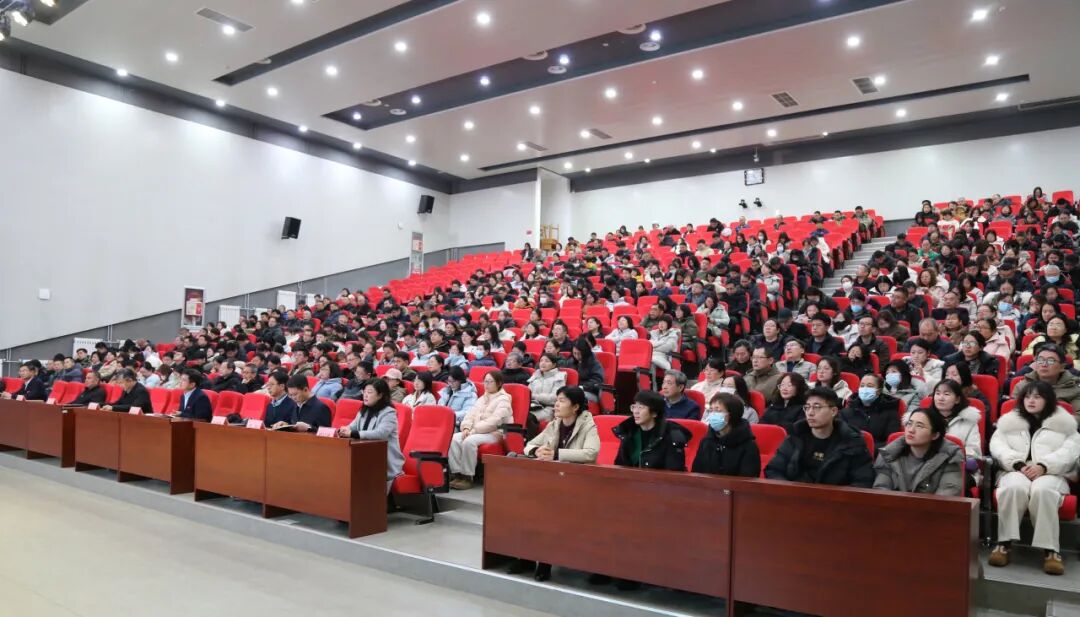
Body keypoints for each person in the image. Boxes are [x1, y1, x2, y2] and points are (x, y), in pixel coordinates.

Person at [989, 380, 1080, 575]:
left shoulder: (1065, 424)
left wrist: (1044, 466)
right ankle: (1004, 543)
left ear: (1048, 400)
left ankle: (1051, 550)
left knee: (1043, 490)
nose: (1031, 401)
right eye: (1027, 396)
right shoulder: (1009, 421)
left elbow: (1070, 451)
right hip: (1015, 469)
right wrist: (1018, 464)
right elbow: (997, 447)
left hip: (1052, 472)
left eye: (1037, 397)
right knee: (1013, 488)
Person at [764, 386, 874, 487]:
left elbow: (863, 481)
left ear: (833, 411)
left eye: (817, 407)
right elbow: (774, 470)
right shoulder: (795, 436)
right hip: (794, 497)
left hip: (835, 500)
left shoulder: (852, 442)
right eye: (807, 407)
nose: (810, 413)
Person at [873, 407, 964, 496]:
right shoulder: (890, 454)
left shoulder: (949, 458)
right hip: (893, 505)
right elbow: (881, 490)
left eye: (919, 426)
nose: (911, 430)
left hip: (931, 506)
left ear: (935, 435)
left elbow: (945, 498)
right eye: (909, 424)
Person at [448, 371, 513, 490]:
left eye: (490, 382)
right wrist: (466, 427)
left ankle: (467, 476)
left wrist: (473, 431)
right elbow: (470, 415)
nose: (486, 384)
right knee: (453, 439)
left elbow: (494, 422)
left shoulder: (504, 399)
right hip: (476, 431)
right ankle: (457, 473)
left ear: (499, 383)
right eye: (485, 381)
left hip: (495, 433)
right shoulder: (482, 398)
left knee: (469, 441)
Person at [338, 379, 404, 493]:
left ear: (380, 395)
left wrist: (354, 433)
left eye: (369, 392)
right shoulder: (364, 410)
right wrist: (344, 430)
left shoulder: (389, 413)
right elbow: (352, 427)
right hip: (365, 457)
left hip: (383, 461)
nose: (365, 395)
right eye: (364, 392)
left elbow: (381, 433)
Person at [613, 390, 690, 471]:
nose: (636, 411)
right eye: (634, 407)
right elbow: (619, 466)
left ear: (654, 413)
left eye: (641, 407)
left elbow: (674, 473)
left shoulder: (671, 435)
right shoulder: (628, 431)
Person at [692, 393, 761, 477]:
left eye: (718, 411)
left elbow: (748, 479)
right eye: (711, 410)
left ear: (731, 414)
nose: (713, 415)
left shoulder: (748, 445)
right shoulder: (706, 441)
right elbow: (696, 473)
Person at [840, 373, 901, 452]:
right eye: (862, 386)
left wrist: (868, 449)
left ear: (879, 391)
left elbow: (892, 442)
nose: (865, 389)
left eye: (870, 386)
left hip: (878, 454)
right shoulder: (846, 412)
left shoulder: (890, 413)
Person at [1016, 343, 1080, 416]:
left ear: (1062, 367)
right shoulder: (1022, 386)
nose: (1044, 364)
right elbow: (1015, 414)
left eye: (1050, 361)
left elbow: (1078, 416)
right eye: (1040, 360)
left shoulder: (1075, 389)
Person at [526, 353, 566, 423]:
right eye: (541, 361)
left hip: (548, 409)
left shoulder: (559, 377)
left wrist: (534, 396)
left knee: (528, 417)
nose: (543, 363)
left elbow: (554, 398)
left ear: (554, 365)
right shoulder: (535, 376)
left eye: (547, 361)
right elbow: (527, 393)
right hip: (532, 406)